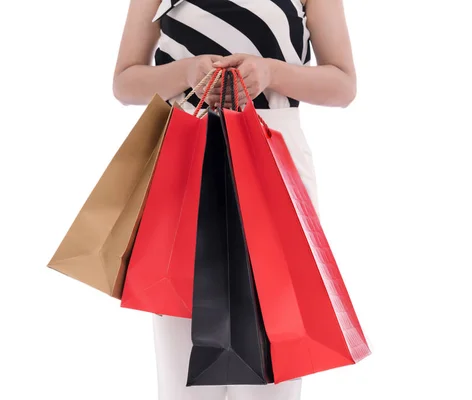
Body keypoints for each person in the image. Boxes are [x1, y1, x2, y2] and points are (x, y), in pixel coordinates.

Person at [112, 0, 355, 399]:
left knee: (272, 354)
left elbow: (343, 86)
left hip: (275, 160)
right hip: (184, 158)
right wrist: (188, 72)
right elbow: (124, 83)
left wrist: (271, 73)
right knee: (183, 367)